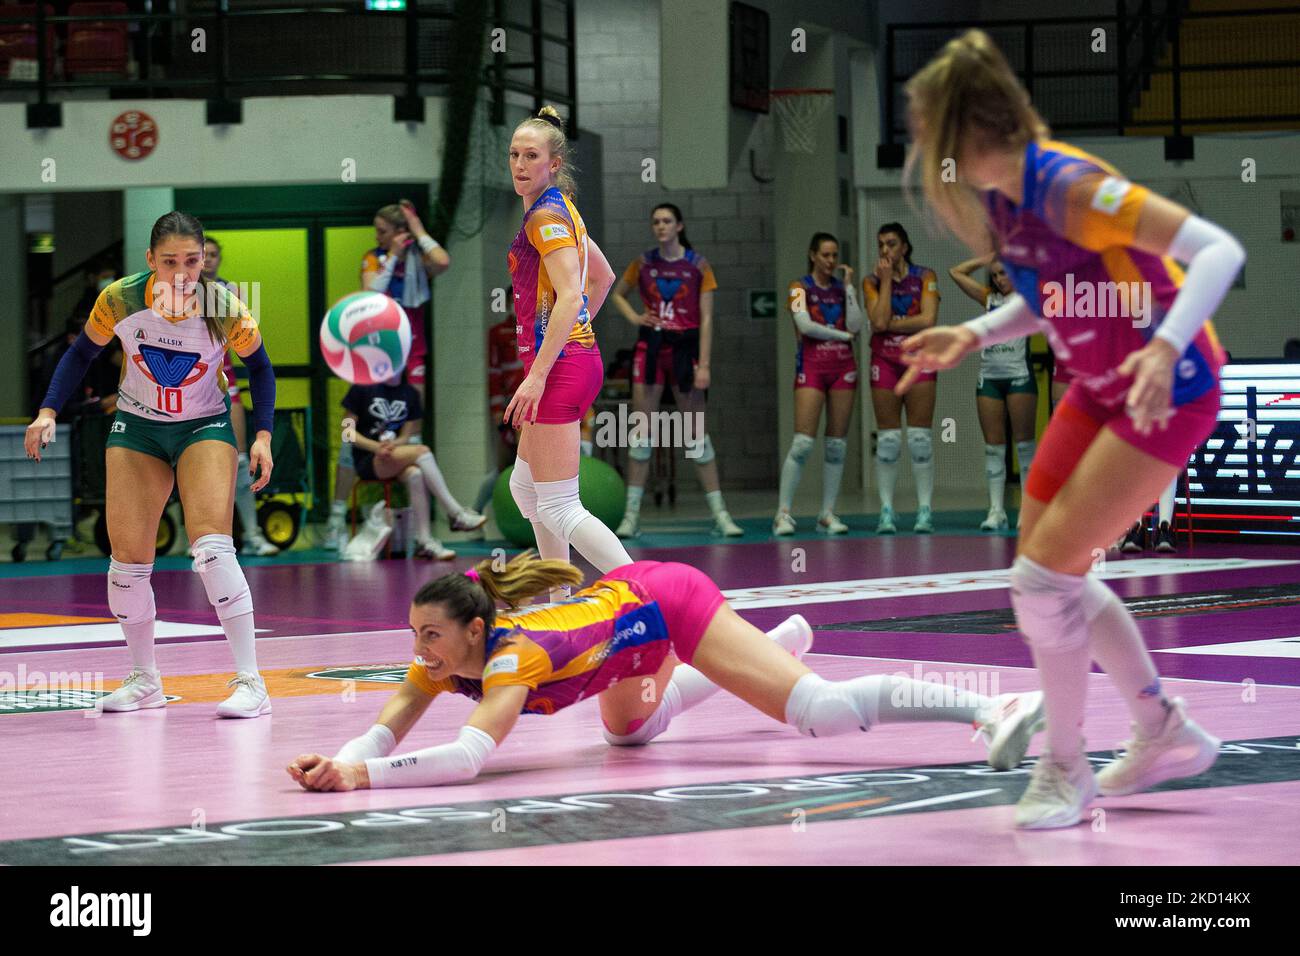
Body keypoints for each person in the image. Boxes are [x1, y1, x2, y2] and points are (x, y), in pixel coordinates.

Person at [898, 29, 1243, 827]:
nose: (921, 152)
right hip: (1098, 387)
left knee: (1042, 582)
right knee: (1051, 574)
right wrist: (975, 335)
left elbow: (1217, 250)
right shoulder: (1002, 195)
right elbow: (1057, 296)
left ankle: (1066, 765)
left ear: (964, 132)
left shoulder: (1069, 187)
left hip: (1168, 389)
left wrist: (1162, 346)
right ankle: (1160, 729)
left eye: (927, 134)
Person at [287, 550, 1045, 791]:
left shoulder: (510, 661)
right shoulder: (445, 658)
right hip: (627, 645)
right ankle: (777, 644)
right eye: (416, 635)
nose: (420, 651)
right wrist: (343, 761)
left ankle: (991, 710)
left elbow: (465, 759)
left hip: (665, 603)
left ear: (474, 631)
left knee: (820, 712)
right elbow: (385, 731)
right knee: (631, 733)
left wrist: (359, 782)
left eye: (430, 636)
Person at [25, 211, 279, 718]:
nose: (182, 273)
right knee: (126, 568)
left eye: (192, 260)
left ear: (204, 259)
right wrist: (47, 410)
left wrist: (264, 436)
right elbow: (80, 355)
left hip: (203, 425)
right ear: (150, 261)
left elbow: (261, 368)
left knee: (211, 551)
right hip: (137, 428)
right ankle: (145, 680)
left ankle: (252, 683)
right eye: (170, 262)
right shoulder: (118, 299)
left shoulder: (223, 307)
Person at [501, 105, 633, 598]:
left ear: (552, 163)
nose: (519, 164)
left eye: (530, 155)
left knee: (559, 504)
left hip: (558, 370)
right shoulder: (560, 207)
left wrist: (539, 371)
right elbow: (602, 277)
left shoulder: (546, 217)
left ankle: (647, 594)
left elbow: (575, 295)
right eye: (514, 154)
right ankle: (561, 600)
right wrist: (575, 337)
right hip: (572, 362)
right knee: (525, 489)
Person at [609, 204, 743, 538]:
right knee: (642, 435)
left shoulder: (698, 265)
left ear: (679, 225)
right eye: (655, 221)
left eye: (667, 221)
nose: (661, 226)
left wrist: (705, 364)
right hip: (651, 348)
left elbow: (708, 317)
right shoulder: (643, 262)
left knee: (697, 436)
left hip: (685, 350)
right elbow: (617, 295)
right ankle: (631, 517)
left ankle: (721, 515)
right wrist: (635, 317)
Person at [341, 372, 486, 561]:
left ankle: (424, 542)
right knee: (422, 451)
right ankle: (456, 513)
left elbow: (405, 436)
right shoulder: (361, 388)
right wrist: (376, 446)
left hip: (394, 454)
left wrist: (394, 444)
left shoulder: (410, 393)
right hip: (368, 458)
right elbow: (346, 431)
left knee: (416, 475)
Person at [774, 232, 863, 535]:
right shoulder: (799, 287)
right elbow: (804, 325)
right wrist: (841, 336)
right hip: (811, 367)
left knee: (836, 444)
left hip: (843, 367)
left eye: (835, 255)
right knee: (802, 443)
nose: (831, 261)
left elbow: (856, 324)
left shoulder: (841, 289)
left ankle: (827, 513)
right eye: (825, 255)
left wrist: (849, 288)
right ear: (813, 256)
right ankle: (783, 513)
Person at [202, 237, 280, 556]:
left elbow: (240, 338)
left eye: (213, 255)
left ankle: (252, 535)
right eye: (201, 255)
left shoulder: (230, 291)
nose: (207, 260)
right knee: (196, 465)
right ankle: (201, 543)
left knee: (240, 459)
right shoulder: (175, 292)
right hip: (189, 385)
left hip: (224, 379)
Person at [950, 252, 1038, 530]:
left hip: (1019, 376)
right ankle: (996, 510)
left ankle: (1028, 510)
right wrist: (984, 258)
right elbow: (956, 271)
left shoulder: (1026, 298)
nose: (1001, 279)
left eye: (1005, 273)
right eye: (997, 274)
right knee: (993, 447)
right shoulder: (988, 297)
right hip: (989, 377)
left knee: (1024, 446)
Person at [863, 222, 940, 534]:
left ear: (905, 247)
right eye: (881, 244)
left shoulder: (925, 276)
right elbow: (879, 322)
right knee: (889, 440)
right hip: (884, 360)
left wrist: (895, 323)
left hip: (919, 359)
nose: (885, 250)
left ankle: (924, 510)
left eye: (891, 244)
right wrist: (884, 283)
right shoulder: (871, 281)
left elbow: (929, 319)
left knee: (920, 439)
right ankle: (886, 511)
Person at [360, 199, 451, 409]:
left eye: (382, 231)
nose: (377, 236)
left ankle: (413, 438)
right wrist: (392, 257)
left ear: (401, 231)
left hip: (413, 341)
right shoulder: (374, 257)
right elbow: (369, 293)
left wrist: (418, 231)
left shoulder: (417, 259)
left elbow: (442, 261)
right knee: (379, 402)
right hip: (382, 340)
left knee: (415, 402)